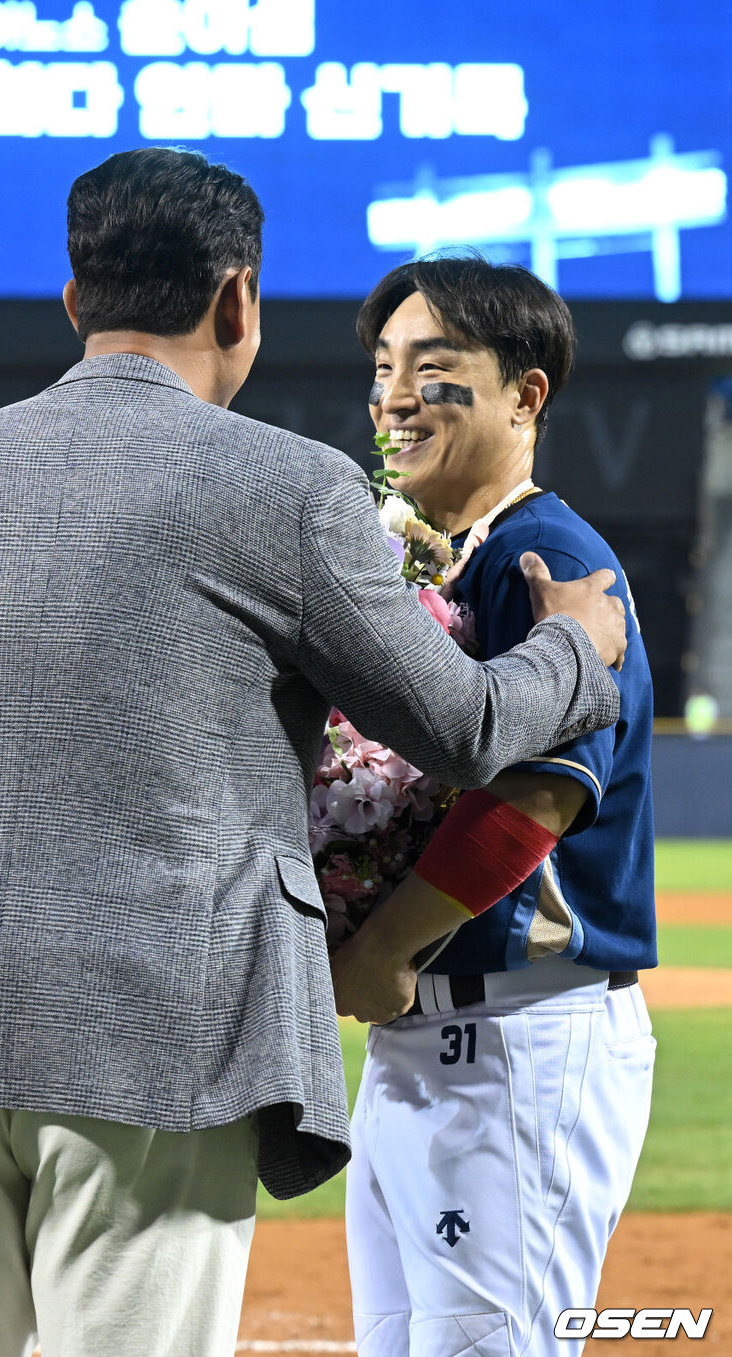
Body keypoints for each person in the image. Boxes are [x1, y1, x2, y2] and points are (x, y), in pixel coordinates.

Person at [0, 152, 626, 1357]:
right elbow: (458, 726)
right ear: (237, 299)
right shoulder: (289, 487)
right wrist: (573, 647)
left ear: (74, 296)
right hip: (163, 1024)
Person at [333, 255, 656, 1357]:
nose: (395, 395)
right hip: (429, 1038)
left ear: (526, 394)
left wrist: (383, 942)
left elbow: (539, 792)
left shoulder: (546, 556)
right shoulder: (426, 556)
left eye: (434, 367)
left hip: (517, 1032)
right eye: (383, 368)